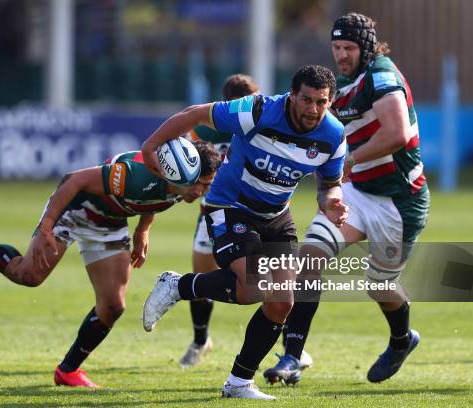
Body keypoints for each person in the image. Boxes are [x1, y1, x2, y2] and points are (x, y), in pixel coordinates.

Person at [0, 141, 221, 388]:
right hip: (74, 209)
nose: (202, 193)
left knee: (113, 306)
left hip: (111, 222)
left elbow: (157, 200)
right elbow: (74, 180)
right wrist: (47, 228)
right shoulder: (133, 175)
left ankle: (67, 371)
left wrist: (143, 230)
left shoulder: (180, 185)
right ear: (182, 176)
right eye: (201, 186)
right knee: (28, 275)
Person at [141, 65, 348, 400]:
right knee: (257, 284)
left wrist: (332, 202)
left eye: (321, 102)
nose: (312, 109)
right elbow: (195, 114)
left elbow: (330, 184)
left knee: (282, 302)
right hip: (230, 206)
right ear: (292, 94)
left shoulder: (333, 135)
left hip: (277, 216)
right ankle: (178, 286)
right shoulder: (257, 110)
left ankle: (238, 382)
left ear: (330, 101)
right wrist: (152, 145)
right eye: (306, 99)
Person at [264, 12, 430, 386]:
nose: (341, 54)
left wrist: (350, 160)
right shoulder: (341, 82)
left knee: (378, 285)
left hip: (399, 201)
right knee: (310, 257)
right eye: (336, 47)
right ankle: (292, 355)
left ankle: (402, 340)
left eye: (349, 47)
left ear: (366, 47)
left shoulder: (381, 76)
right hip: (357, 194)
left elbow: (398, 133)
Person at [179, 73, 259, 368]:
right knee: (201, 276)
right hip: (211, 212)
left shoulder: (262, 126)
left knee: (266, 279)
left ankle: (291, 347)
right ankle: (201, 340)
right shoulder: (204, 128)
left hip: (253, 214)